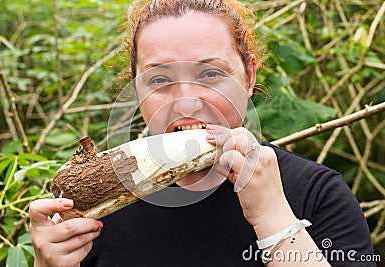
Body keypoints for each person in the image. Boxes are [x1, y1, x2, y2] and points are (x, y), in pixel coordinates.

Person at [29, 0, 375, 266]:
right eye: (160, 80)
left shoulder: (317, 195)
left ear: (249, 77)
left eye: (210, 74)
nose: (186, 103)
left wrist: (274, 219)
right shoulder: (99, 207)